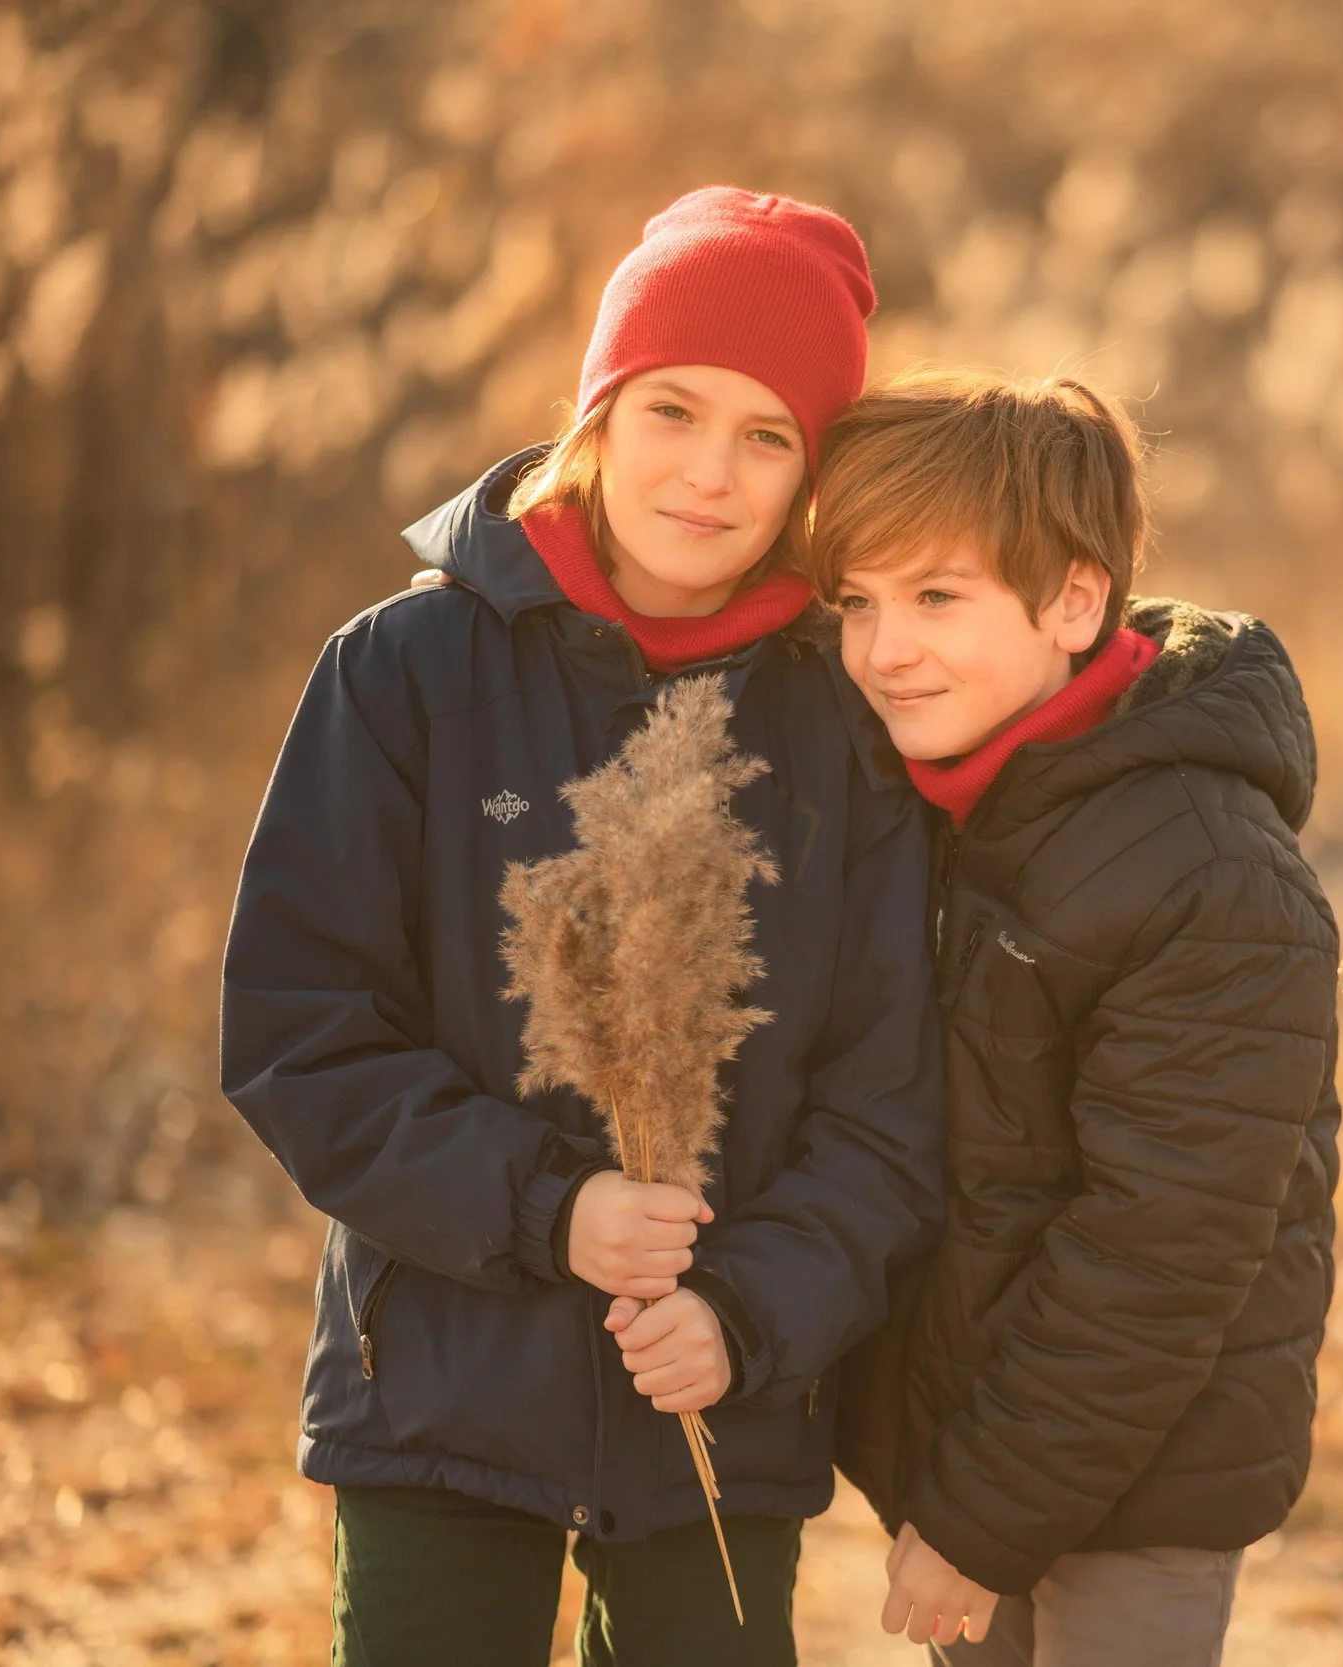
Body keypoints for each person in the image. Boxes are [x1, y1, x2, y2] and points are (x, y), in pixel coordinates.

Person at [220, 187, 945, 1667]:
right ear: (601, 408)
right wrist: (549, 1208)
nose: (709, 474)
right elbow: (303, 1034)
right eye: (674, 409)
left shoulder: (839, 722)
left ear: (814, 473)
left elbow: (890, 1106)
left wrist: (748, 1312)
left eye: (768, 436)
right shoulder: (404, 671)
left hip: (717, 1400)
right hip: (438, 1382)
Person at [807, 372, 1343, 1665]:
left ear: (1077, 599)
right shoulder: (926, 803)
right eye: (858, 604)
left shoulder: (1210, 869)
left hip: (1143, 1476)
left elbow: (1159, 1254)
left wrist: (978, 1518)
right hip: (975, 1441)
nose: (887, 649)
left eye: (938, 595)